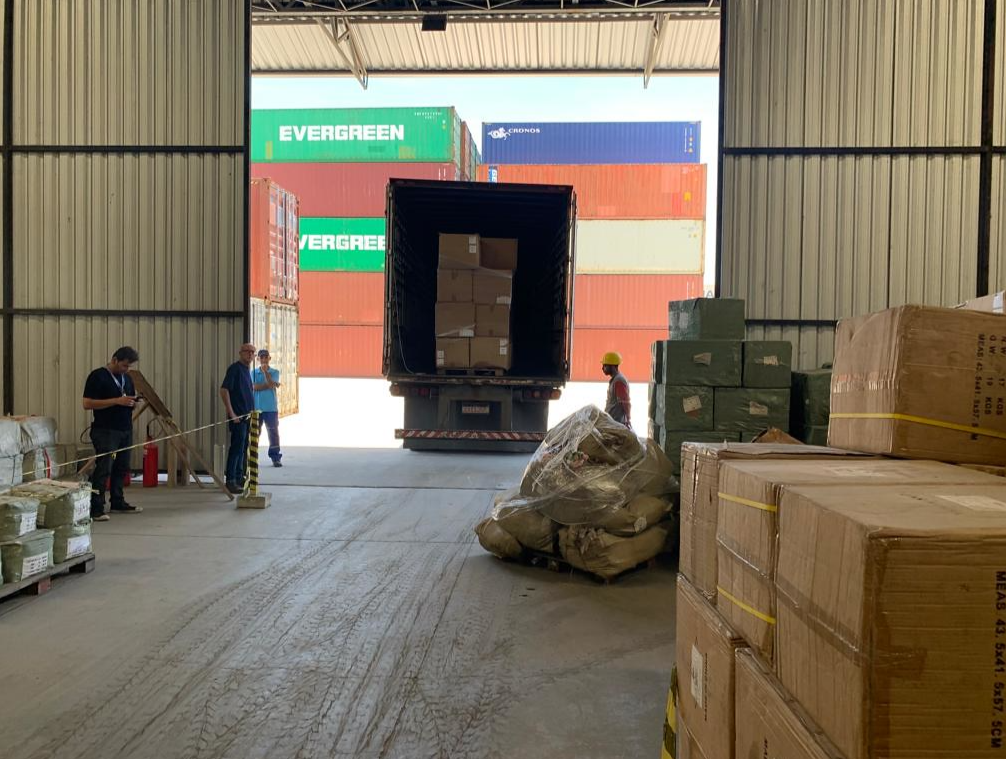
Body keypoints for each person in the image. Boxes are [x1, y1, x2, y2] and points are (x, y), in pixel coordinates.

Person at [82, 346, 143, 520]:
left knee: (122, 467)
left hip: (125, 429)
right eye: (124, 365)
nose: (126, 369)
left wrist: (132, 403)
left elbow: (127, 399)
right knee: (104, 468)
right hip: (106, 430)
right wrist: (117, 401)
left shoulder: (127, 379)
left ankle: (117, 501)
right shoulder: (98, 376)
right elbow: (87, 403)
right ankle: (96, 507)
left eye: (129, 366)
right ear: (114, 360)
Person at [220, 343, 256, 494]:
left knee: (243, 448)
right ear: (240, 353)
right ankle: (231, 480)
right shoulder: (234, 369)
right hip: (238, 417)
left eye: (252, 352)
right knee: (236, 448)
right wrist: (232, 413)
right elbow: (224, 390)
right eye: (247, 351)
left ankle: (240, 477)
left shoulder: (247, 371)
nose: (250, 354)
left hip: (248, 417)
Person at [252, 348, 283, 467]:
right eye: (262, 357)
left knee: (273, 433)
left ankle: (275, 457)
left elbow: (269, 384)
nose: (264, 360)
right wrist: (271, 384)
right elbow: (254, 387)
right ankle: (252, 458)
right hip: (256, 408)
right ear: (258, 359)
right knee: (255, 434)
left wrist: (266, 373)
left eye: (266, 357)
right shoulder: (253, 372)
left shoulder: (275, 372)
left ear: (269, 358)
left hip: (270, 408)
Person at [601, 351, 632, 429]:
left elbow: (625, 402)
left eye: (605, 365)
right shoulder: (615, 380)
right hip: (612, 421)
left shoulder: (619, 381)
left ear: (612, 366)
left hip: (616, 423)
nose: (602, 368)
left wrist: (628, 419)